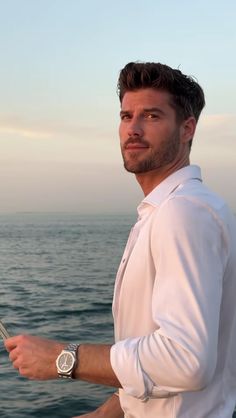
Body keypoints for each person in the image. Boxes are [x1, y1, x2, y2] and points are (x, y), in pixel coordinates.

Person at [4, 62, 236, 418]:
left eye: (152, 116)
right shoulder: (166, 211)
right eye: (126, 116)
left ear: (187, 128)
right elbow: (168, 367)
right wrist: (108, 412)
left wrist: (61, 358)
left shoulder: (182, 213)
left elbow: (186, 360)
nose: (134, 129)